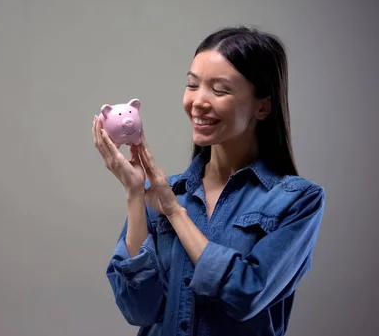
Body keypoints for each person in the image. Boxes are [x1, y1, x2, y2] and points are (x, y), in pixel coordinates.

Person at [91, 26, 326, 336]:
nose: (197, 101)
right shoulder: (163, 192)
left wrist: (175, 212)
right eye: (192, 84)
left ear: (263, 106)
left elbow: (246, 294)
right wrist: (136, 194)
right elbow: (139, 309)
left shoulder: (298, 200)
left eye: (219, 89)